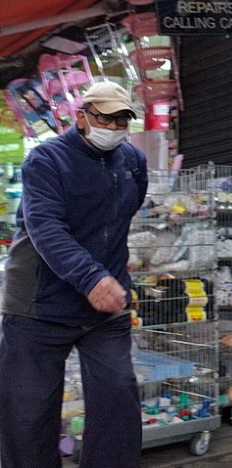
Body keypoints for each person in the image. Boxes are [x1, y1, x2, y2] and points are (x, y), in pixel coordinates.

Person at [0, 81, 148, 467]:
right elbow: (45, 227)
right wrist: (91, 278)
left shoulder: (132, 161)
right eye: (105, 118)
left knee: (118, 399)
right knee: (28, 416)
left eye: (122, 120)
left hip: (104, 308)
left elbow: (121, 217)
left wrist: (109, 275)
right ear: (81, 116)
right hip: (39, 303)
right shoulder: (46, 160)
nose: (114, 127)